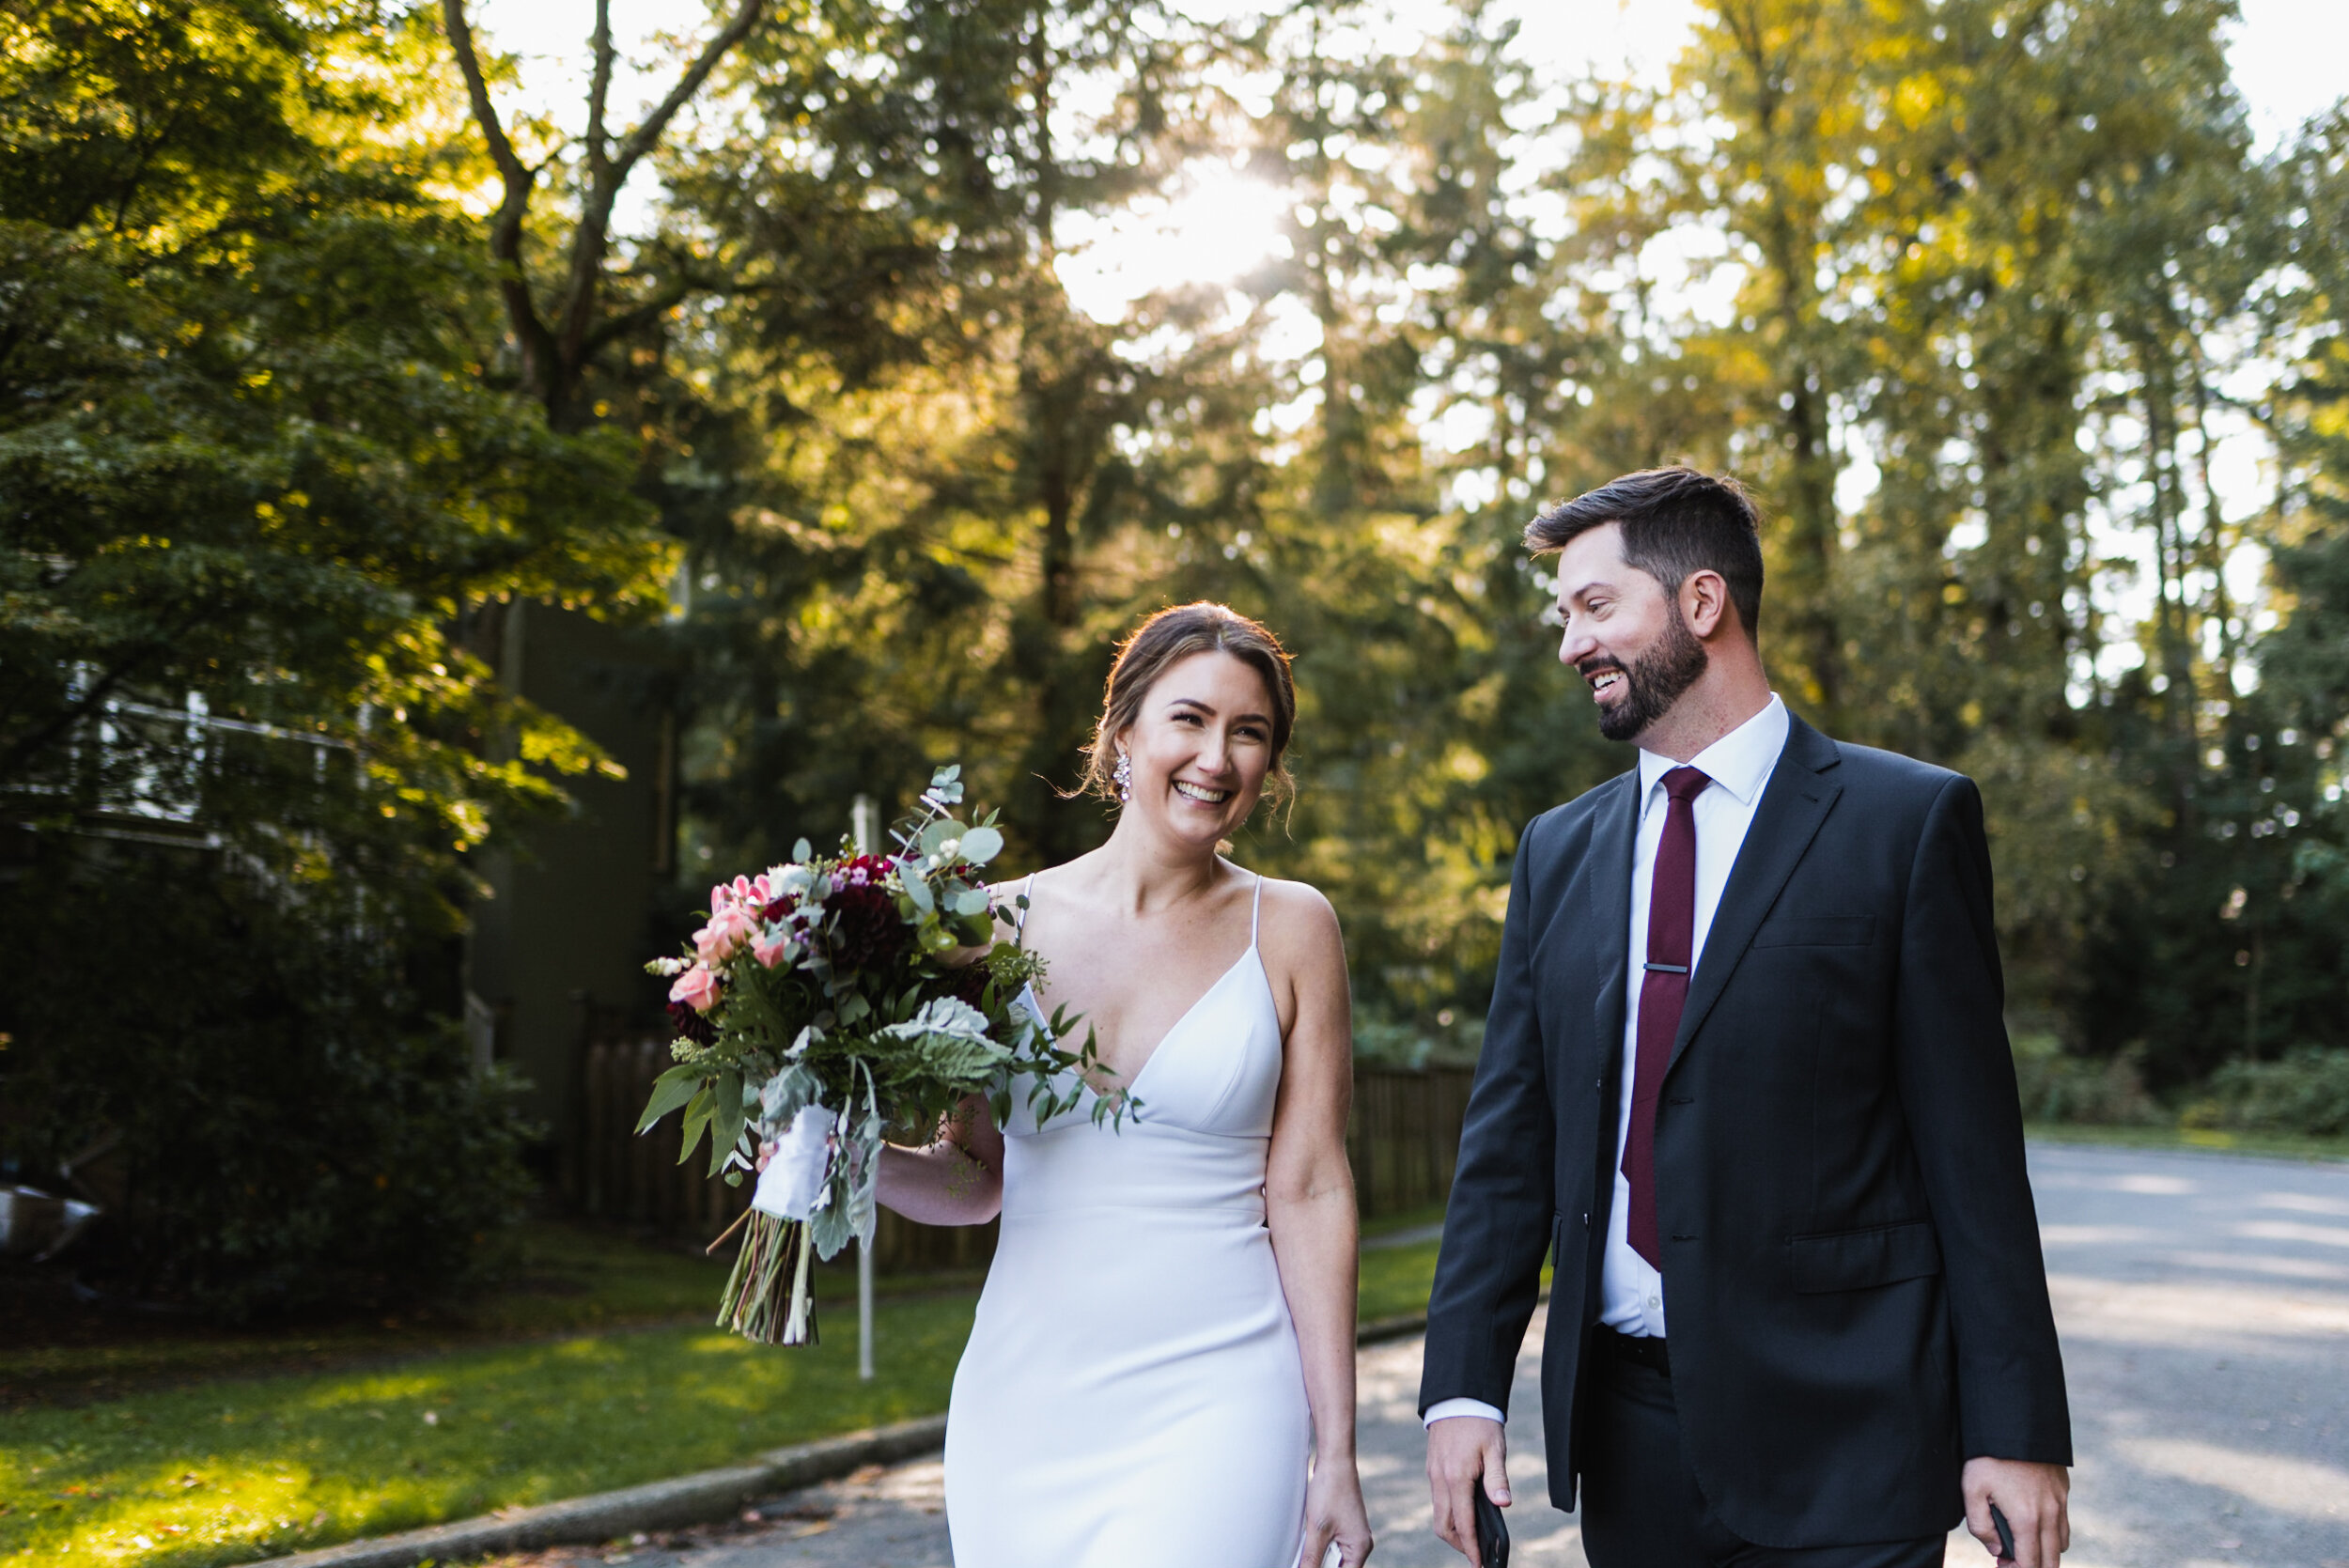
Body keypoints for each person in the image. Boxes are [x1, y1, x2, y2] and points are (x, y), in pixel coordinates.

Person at [1420, 468, 2074, 1568]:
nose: (1571, 643)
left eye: (1594, 606)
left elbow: (1971, 1155)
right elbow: (1508, 1142)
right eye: (1563, 614)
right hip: (1630, 1439)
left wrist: (2013, 1431)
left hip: (1850, 1429)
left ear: (1702, 602)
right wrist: (1458, 1391)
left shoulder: (1904, 821)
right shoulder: (1556, 851)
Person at [878, 602, 1374, 1568]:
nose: (1216, 757)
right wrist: (843, 1154)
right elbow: (973, 1178)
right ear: (1122, 735)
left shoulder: (1294, 928)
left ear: (1270, 767)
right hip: (1023, 1401)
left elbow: (1310, 1187)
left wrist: (1339, 1454)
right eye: (1189, 719)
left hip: (1223, 1394)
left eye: (1249, 732)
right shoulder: (990, 927)